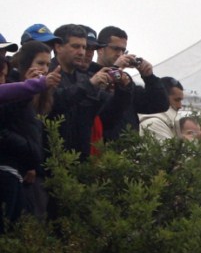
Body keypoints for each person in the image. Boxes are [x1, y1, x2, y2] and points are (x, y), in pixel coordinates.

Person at [0, 42, 59, 226]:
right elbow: (6, 126)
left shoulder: (40, 94)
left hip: (24, 169)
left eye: (48, 64)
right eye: (40, 63)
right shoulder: (15, 88)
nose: (45, 69)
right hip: (10, 168)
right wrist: (30, 87)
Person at [90, 25, 168, 140]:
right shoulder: (89, 76)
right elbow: (102, 111)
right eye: (116, 49)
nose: (120, 54)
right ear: (100, 50)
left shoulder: (125, 80)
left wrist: (149, 77)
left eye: (123, 50)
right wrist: (115, 69)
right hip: (101, 146)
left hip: (129, 147)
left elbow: (158, 105)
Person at [48, 24, 112, 160]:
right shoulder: (46, 73)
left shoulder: (85, 78)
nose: (82, 52)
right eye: (76, 46)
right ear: (58, 47)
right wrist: (89, 85)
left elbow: (109, 114)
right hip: (51, 157)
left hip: (81, 159)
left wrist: (124, 89)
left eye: (84, 47)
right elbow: (56, 102)